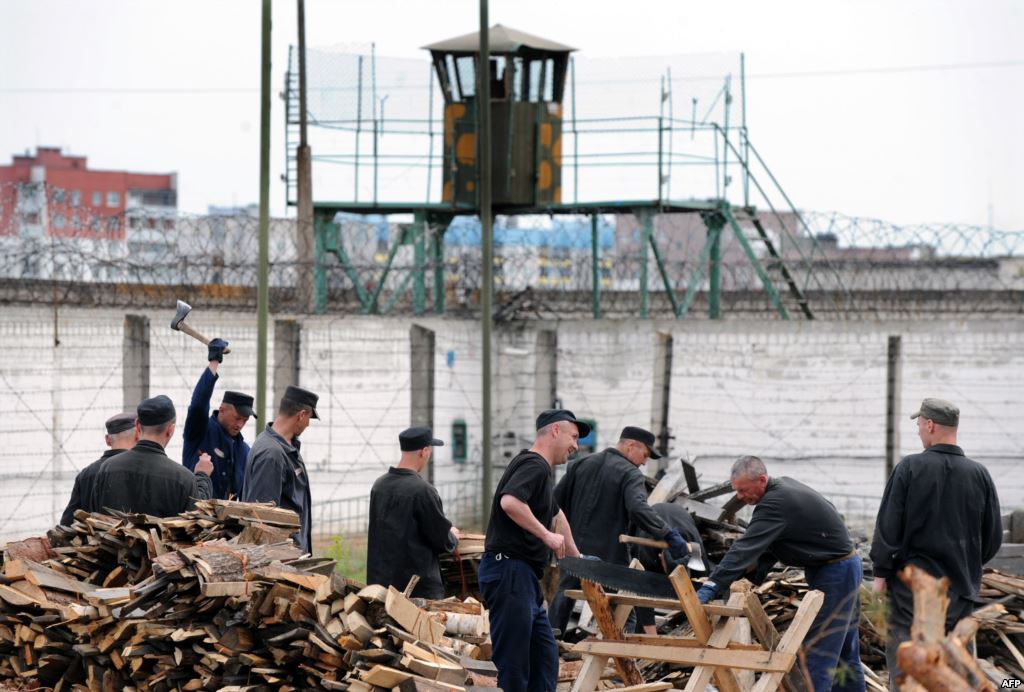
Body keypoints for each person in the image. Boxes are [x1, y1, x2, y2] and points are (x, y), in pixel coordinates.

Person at [696, 456, 865, 692]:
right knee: (845, 653)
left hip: (834, 573)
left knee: (817, 652)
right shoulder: (783, 489)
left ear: (762, 480)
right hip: (842, 568)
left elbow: (745, 548)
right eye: (737, 492)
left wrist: (712, 585)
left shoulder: (774, 503)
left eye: (743, 491)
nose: (740, 498)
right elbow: (771, 547)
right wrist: (745, 577)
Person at [869, 398, 1001, 689]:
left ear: (930, 425)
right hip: (960, 592)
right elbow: (992, 539)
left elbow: (888, 527)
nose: (918, 431)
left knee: (907, 665)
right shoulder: (979, 475)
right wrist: (968, 567)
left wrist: (880, 574)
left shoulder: (909, 468)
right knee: (953, 667)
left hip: (910, 595)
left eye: (919, 425)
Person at [479, 409, 587, 692]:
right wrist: (546, 536)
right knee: (514, 665)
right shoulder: (535, 465)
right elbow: (510, 502)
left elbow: (556, 513)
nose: (576, 446)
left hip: (524, 577)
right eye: (573, 437)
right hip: (509, 572)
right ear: (554, 432)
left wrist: (577, 557)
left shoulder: (539, 471)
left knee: (544, 658)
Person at [548, 426, 692, 633]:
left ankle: (551, 646)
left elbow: (554, 503)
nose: (644, 462)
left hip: (573, 550)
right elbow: (639, 509)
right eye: (645, 455)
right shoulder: (630, 474)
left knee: (565, 595)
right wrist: (669, 534)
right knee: (622, 611)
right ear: (631, 445)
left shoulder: (580, 465)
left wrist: (553, 538)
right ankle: (621, 660)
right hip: (610, 557)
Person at [366, 426, 460, 598]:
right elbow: (441, 540)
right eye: (430, 450)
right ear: (424, 452)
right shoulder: (423, 491)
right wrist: (452, 536)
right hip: (417, 591)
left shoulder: (379, 486)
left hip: (380, 588)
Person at [91, 396, 214, 516]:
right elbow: (196, 522)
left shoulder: (106, 468)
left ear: (138, 426)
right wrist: (202, 475)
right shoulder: (183, 478)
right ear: (170, 430)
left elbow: (93, 519)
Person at [242, 385, 320, 553]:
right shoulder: (271, 454)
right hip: (282, 561)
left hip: (292, 557)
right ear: (301, 415)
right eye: (309, 419)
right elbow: (261, 520)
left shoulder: (286, 447)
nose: (307, 425)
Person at [182, 337, 255, 499]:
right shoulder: (200, 431)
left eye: (245, 420)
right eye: (237, 418)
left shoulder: (244, 451)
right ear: (221, 409)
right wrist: (214, 361)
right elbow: (198, 405)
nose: (240, 424)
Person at [630, 501, 709, 634]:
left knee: (699, 584)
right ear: (661, 558)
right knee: (640, 588)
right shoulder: (646, 552)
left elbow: (703, 581)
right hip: (649, 518)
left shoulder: (694, 548)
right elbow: (643, 595)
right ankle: (641, 633)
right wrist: (652, 638)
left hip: (681, 517)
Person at [59, 412, 139, 525]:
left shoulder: (85, 475)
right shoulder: (144, 471)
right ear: (138, 436)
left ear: (107, 439)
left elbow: (67, 524)